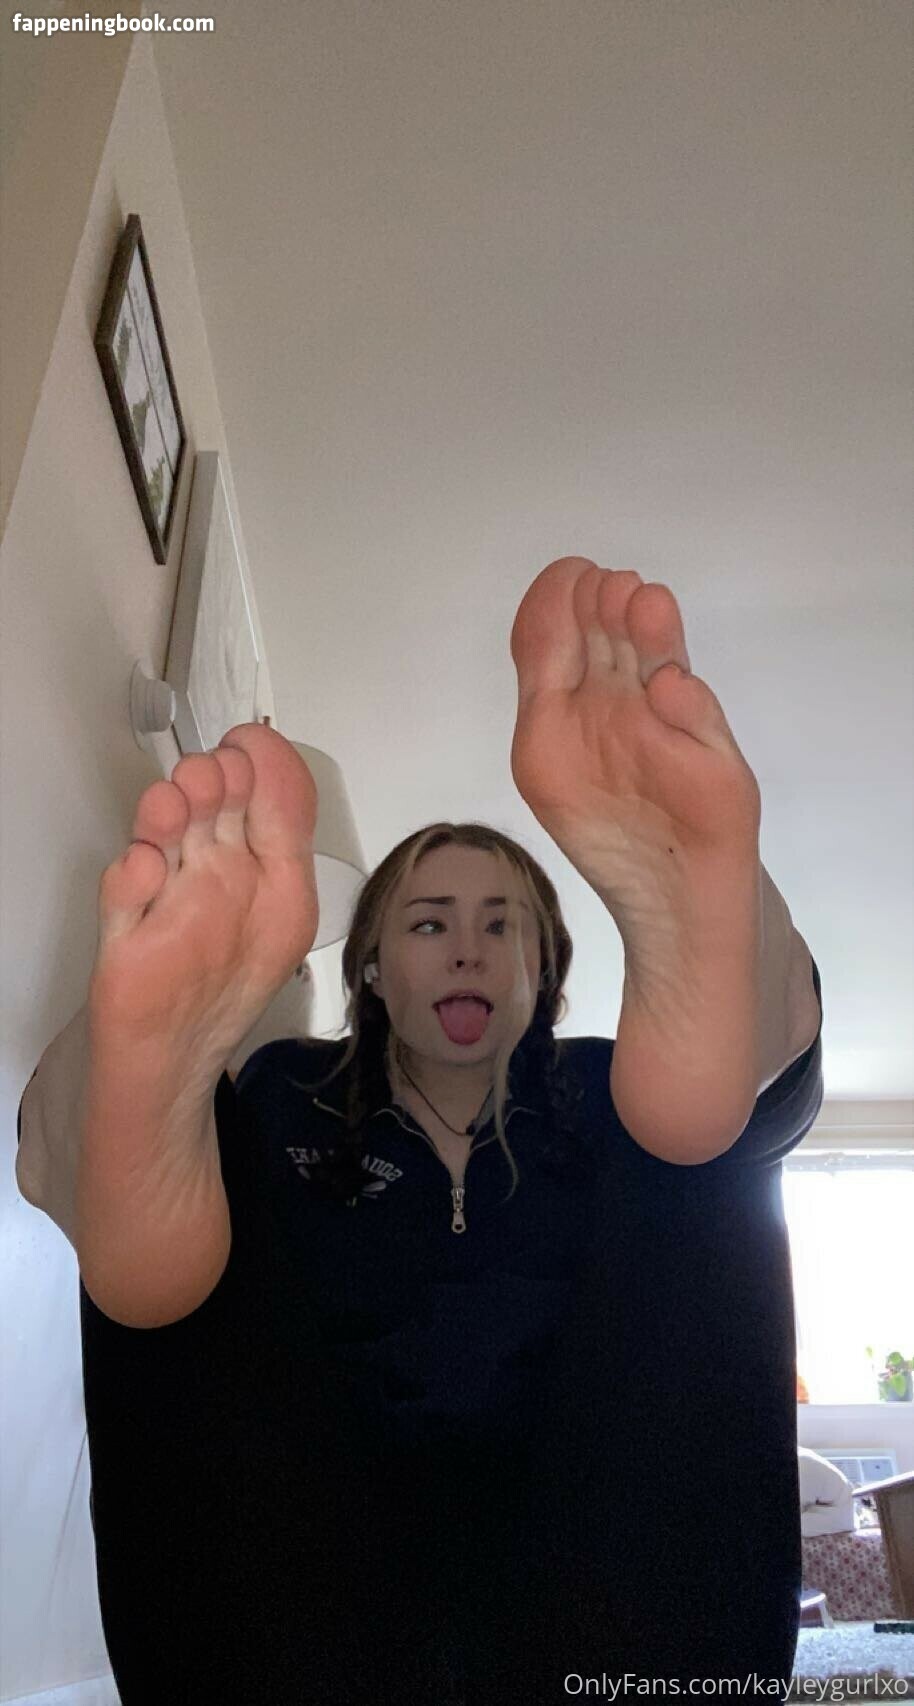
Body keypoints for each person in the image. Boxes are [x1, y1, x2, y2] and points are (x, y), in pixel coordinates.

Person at [16, 559, 824, 1704]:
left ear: (543, 968)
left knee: (698, 1132)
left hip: (629, 1605)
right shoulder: (284, 1090)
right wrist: (189, 1066)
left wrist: (718, 962)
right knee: (180, 1142)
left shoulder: (605, 1085)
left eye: (502, 925)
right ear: (370, 968)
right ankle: (142, 1154)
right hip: (281, 1600)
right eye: (429, 922)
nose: (467, 948)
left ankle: (707, 914)